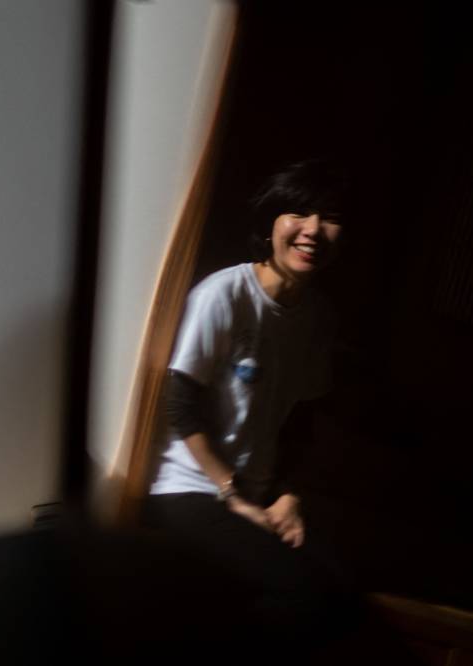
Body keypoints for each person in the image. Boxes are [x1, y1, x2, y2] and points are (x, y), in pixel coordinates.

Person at [144, 160, 355, 656]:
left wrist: (289, 496)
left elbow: (302, 420)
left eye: (329, 217)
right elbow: (180, 400)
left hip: (258, 496)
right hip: (189, 490)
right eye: (298, 213)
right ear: (271, 223)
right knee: (301, 595)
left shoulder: (319, 317)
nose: (313, 230)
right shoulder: (225, 294)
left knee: (343, 594)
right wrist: (232, 493)